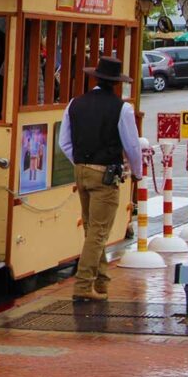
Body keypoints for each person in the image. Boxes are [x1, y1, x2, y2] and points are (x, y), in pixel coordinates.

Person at [58, 55, 143, 302]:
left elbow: (64, 141)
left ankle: (101, 281)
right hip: (105, 173)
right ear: (116, 83)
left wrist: (81, 163)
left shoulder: (75, 103)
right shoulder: (121, 108)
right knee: (99, 231)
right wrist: (137, 172)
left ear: (96, 78)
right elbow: (132, 145)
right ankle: (84, 285)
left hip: (81, 170)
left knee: (91, 228)